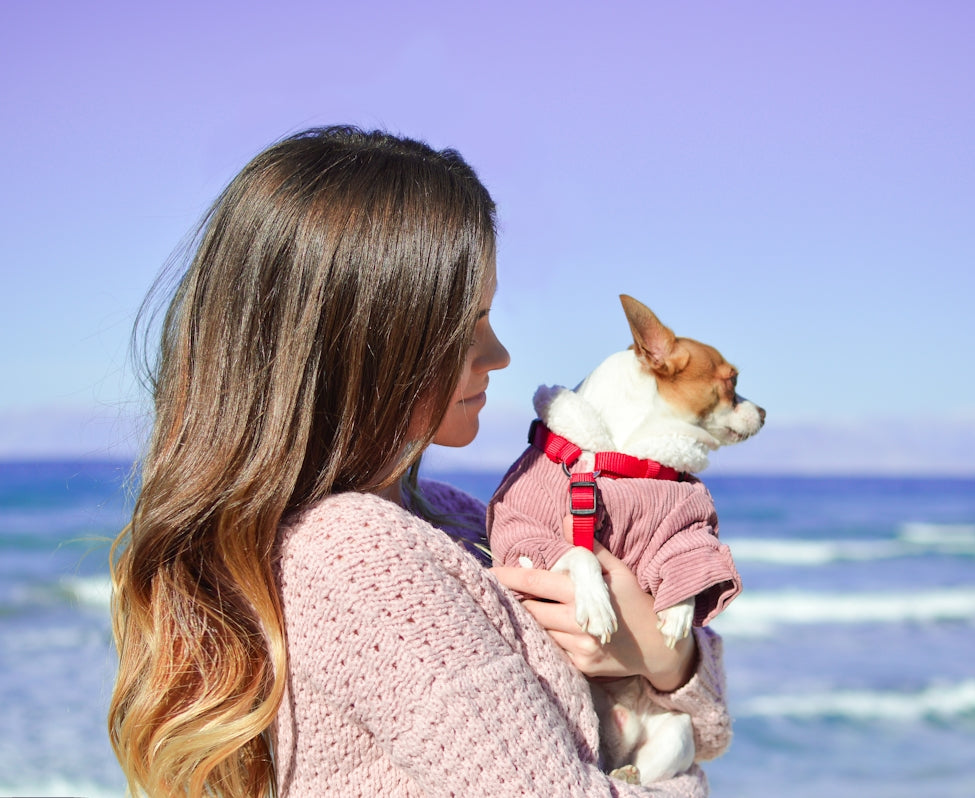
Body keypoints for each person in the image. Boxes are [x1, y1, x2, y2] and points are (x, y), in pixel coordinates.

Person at [109, 126, 731, 797]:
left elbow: (706, 727)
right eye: (467, 325)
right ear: (357, 344)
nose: (499, 356)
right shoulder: (356, 557)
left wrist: (667, 655)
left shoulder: (453, 521)